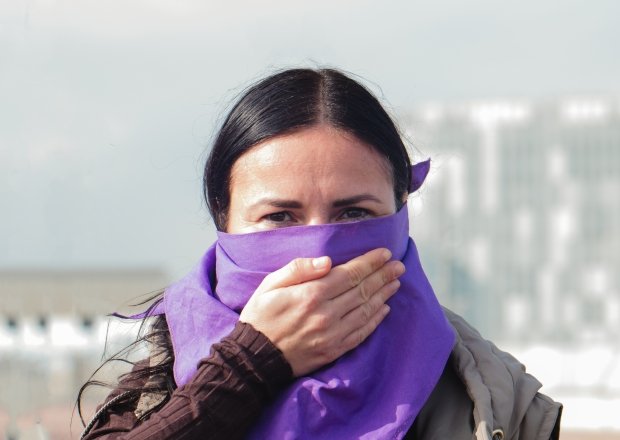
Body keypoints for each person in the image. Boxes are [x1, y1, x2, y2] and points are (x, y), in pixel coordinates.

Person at [78, 68, 562, 440]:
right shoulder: (161, 384)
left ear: (401, 214)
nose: (320, 251)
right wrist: (249, 365)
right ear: (223, 222)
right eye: (280, 219)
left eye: (352, 214)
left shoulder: (495, 401)